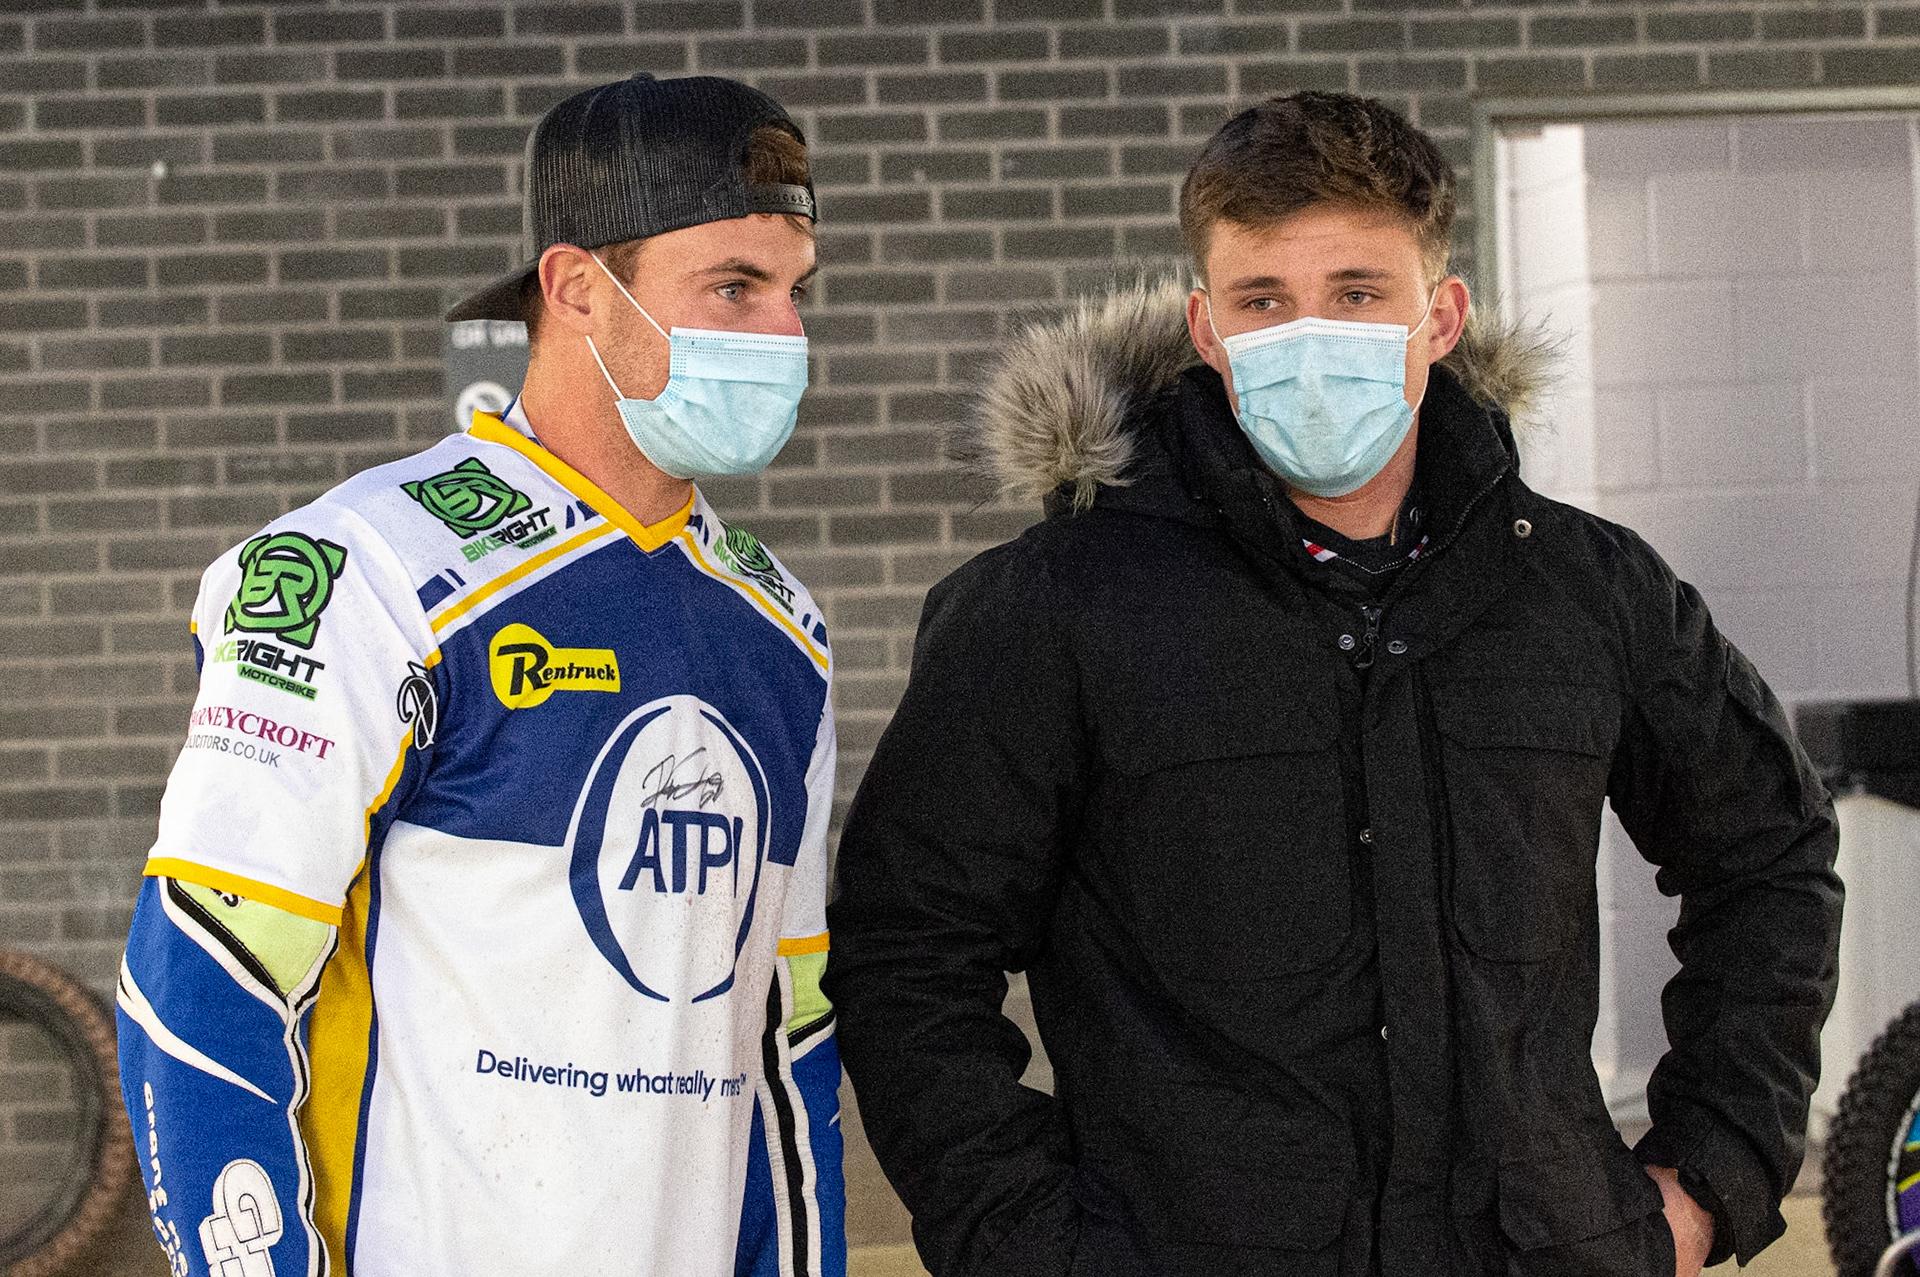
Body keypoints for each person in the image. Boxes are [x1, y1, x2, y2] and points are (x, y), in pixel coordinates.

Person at [825, 91, 1841, 1277]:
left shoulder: (1587, 589)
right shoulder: (1055, 607)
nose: (1311, 334)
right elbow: (908, 949)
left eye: (1358, 292)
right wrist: (1030, 1244)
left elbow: (1768, 854)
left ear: (1442, 314)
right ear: (1208, 328)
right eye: (1265, 299)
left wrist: (1710, 1173)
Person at [117, 73, 844, 1277]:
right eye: (733, 287)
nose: (786, 336)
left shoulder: (787, 630)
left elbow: (788, 1047)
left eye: (794, 291)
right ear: (575, 289)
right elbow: (208, 987)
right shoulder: (358, 573)